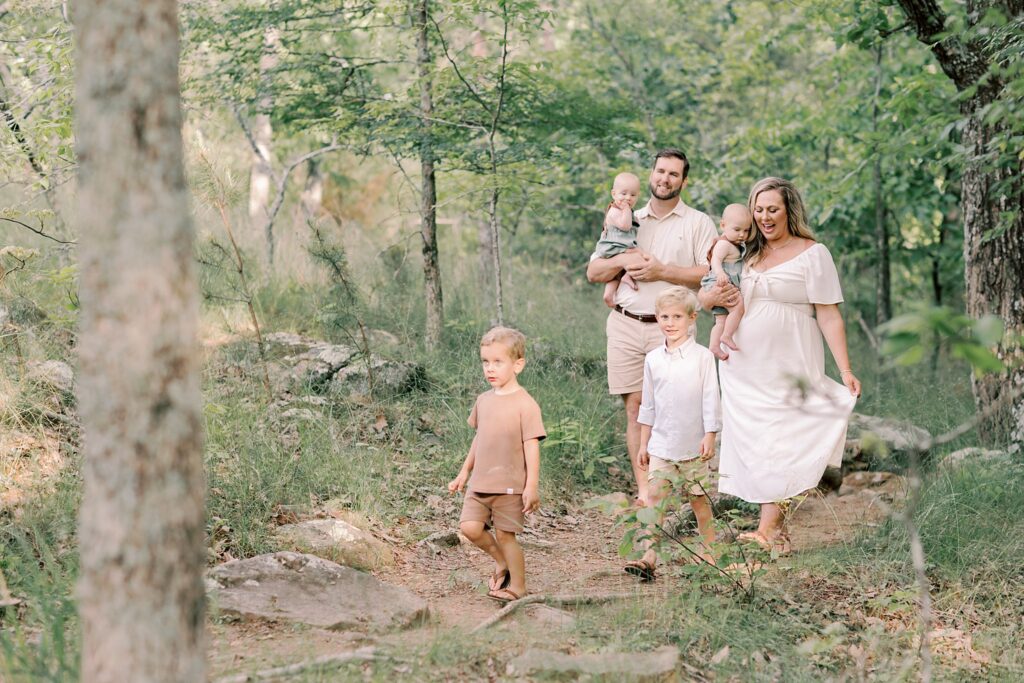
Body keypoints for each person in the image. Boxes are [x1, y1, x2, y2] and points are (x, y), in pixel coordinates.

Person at [700, 177, 862, 554]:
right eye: (758, 209)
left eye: (772, 209)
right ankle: (773, 529)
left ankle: (771, 528)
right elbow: (709, 298)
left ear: (789, 209)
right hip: (744, 362)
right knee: (758, 440)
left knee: (785, 435)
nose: (764, 216)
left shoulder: (813, 253)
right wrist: (713, 295)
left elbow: (829, 315)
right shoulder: (746, 254)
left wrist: (846, 370)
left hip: (791, 358)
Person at [586, 149, 717, 506]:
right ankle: (647, 493)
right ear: (651, 174)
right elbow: (594, 272)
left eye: (674, 174)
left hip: (673, 330)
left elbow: (709, 275)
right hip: (627, 325)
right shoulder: (625, 216)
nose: (665, 179)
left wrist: (662, 271)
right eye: (661, 171)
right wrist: (624, 260)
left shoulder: (697, 222)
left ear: (684, 181)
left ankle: (688, 488)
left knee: (679, 409)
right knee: (636, 409)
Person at [624, 287, 721, 581]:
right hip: (661, 444)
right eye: (664, 316)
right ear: (657, 318)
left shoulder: (702, 358)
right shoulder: (653, 359)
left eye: (677, 316)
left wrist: (710, 434)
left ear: (691, 318)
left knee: (698, 500)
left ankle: (710, 552)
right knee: (655, 499)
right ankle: (649, 556)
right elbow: (648, 405)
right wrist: (645, 444)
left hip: (692, 444)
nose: (670, 322)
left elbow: (710, 397)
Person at [448, 326, 546, 604]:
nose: (490, 369)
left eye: (497, 362)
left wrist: (532, 485)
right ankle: (501, 561)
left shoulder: (526, 405)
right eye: (485, 362)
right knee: (469, 527)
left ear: (518, 365)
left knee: (505, 534)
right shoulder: (484, 400)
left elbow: (532, 446)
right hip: (480, 482)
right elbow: (480, 438)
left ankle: (519, 586)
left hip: (510, 485)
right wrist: (464, 472)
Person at [700, 203, 751, 360]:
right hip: (721, 282)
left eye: (746, 230)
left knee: (720, 320)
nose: (742, 234)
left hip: (720, 283)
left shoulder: (734, 244)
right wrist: (720, 273)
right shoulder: (724, 244)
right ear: (723, 225)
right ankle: (727, 336)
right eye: (737, 230)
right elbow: (715, 260)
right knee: (738, 308)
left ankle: (714, 346)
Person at [593, 172, 642, 308]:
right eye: (623, 194)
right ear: (614, 194)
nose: (628, 198)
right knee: (638, 254)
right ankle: (628, 275)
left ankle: (609, 295)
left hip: (618, 246)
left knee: (615, 274)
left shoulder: (626, 212)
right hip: (612, 247)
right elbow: (626, 226)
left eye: (633, 195)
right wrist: (626, 210)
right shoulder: (614, 211)